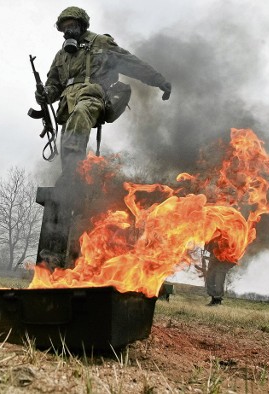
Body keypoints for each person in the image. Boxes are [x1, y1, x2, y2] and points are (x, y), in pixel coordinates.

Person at [35, 6, 171, 266]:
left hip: (94, 97)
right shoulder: (60, 56)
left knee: (80, 115)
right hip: (69, 104)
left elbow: (130, 62)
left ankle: (73, 173)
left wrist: (159, 80)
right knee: (71, 137)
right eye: (64, 26)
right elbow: (53, 86)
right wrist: (44, 94)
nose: (68, 29)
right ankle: (74, 182)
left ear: (83, 24)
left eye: (72, 24)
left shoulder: (100, 43)